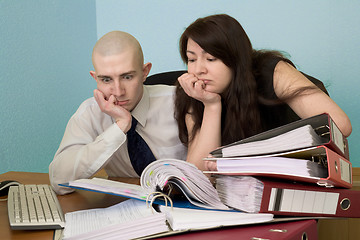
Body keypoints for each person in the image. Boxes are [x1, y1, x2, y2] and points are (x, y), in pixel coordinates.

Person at [174, 14, 352, 171]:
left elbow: (340, 126)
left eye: (211, 59)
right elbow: (200, 175)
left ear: (235, 58)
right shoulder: (194, 91)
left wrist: (248, 161)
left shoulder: (271, 71)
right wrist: (211, 105)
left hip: (305, 172)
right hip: (244, 191)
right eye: (191, 59)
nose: (198, 69)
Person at [50, 31, 186, 195]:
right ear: (95, 78)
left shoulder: (179, 102)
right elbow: (58, 181)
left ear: (145, 72)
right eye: (106, 80)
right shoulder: (90, 112)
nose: (118, 91)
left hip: (182, 207)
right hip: (126, 210)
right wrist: (118, 129)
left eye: (127, 77)